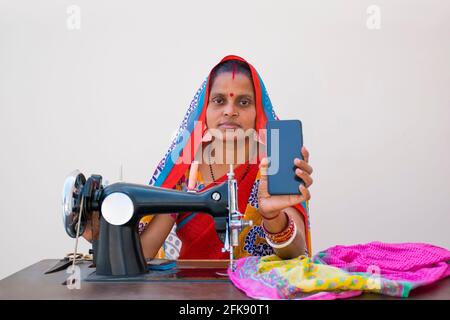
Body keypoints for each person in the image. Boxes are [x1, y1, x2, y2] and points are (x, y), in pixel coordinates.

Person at [83, 55, 314, 261]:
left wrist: (273, 216)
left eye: (243, 102)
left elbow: (295, 252)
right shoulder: (184, 167)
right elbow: (143, 253)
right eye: (219, 100)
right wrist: (103, 236)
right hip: (193, 290)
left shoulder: (273, 164)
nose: (230, 111)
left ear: (258, 111)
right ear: (205, 108)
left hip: (258, 293)